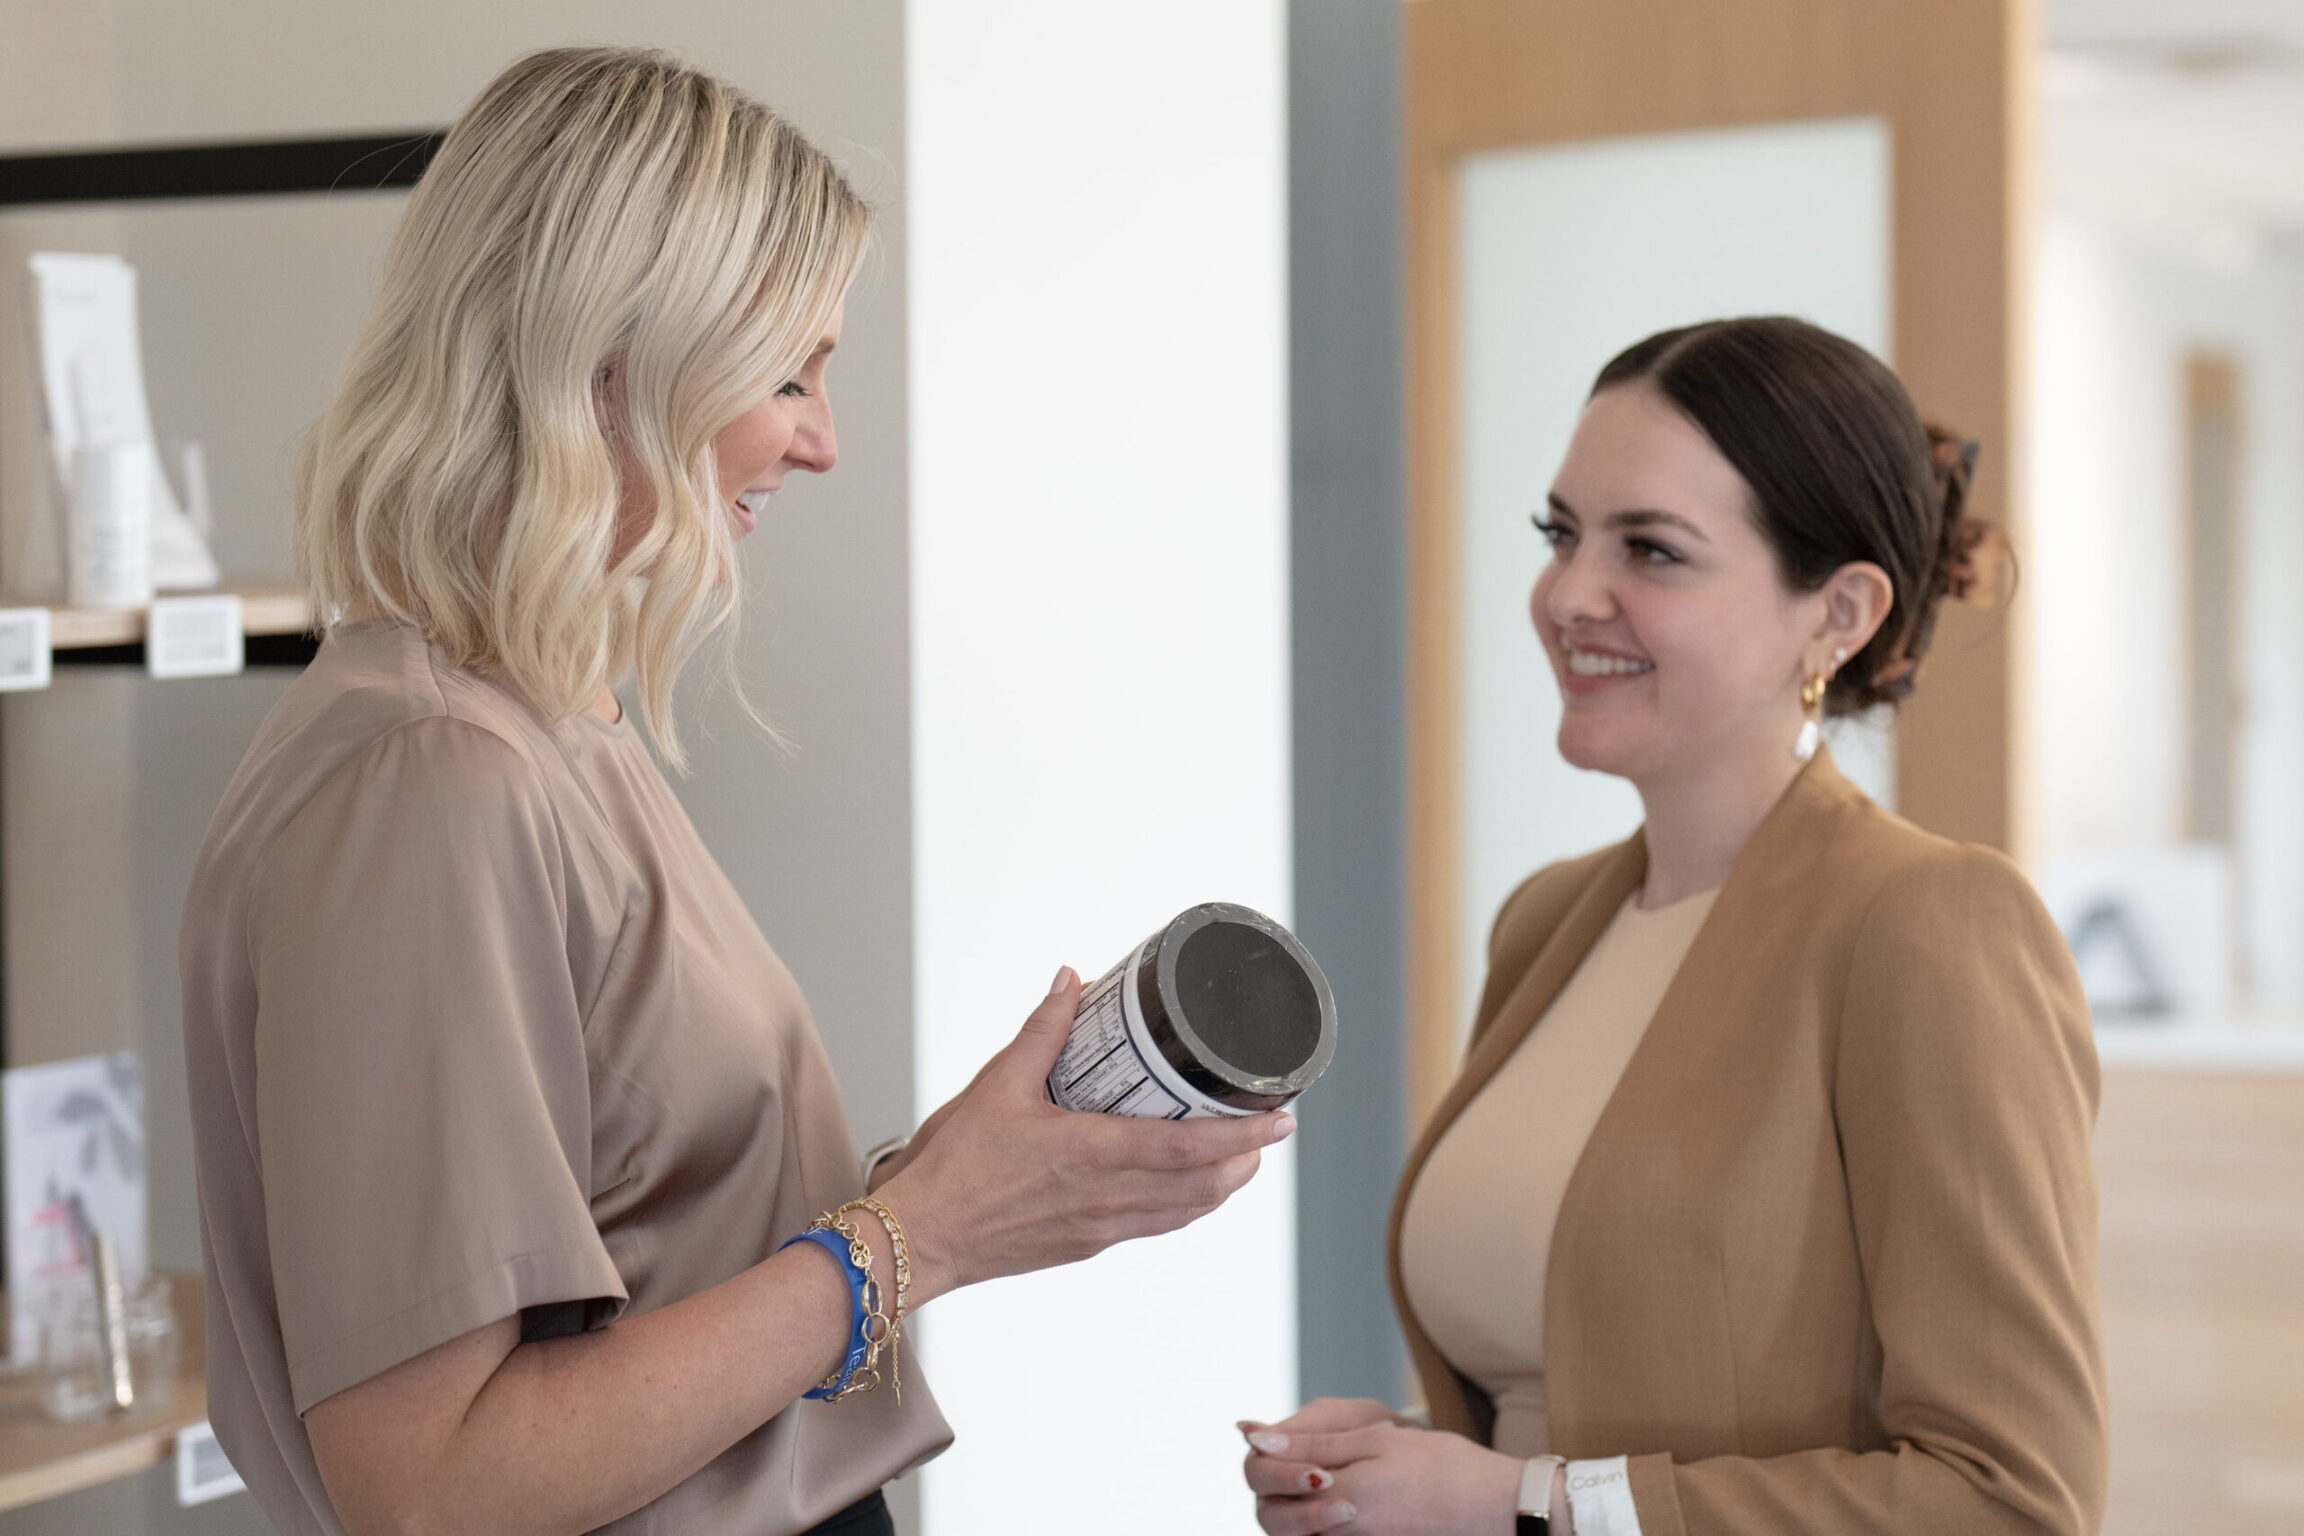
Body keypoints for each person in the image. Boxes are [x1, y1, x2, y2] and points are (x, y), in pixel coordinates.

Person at [180, 46, 1292, 1536]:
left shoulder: (545, 724)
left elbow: (643, 1257)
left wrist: (964, 1178)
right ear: (613, 363)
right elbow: (433, 1484)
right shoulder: (429, 776)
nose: (823, 438)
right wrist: (924, 1233)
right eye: (788, 372)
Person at [1240, 317, 2104, 1535]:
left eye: (1650, 550)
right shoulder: (1547, 925)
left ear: (1840, 613)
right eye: (1561, 534)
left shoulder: (1929, 926)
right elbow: (1599, 1418)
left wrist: (1517, 1504)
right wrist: (1406, 1468)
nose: (1565, 595)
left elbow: (2010, 1498)